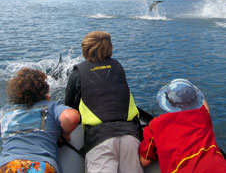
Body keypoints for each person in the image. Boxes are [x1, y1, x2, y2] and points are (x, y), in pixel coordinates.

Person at [65, 30, 143, 173]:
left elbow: (69, 109)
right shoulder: (118, 67)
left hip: (99, 138)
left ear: (85, 49)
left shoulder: (77, 73)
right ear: (110, 48)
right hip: (131, 135)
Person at [0, 67, 80, 173]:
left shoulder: (5, 111)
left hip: (8, 165)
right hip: (39, 165)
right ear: (44, 91)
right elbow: (71, 117)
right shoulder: (51, 106)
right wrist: (65, 133)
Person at [139, 78, 226, 173]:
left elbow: (144, 161)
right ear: (195, 100)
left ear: (168, 102)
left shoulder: (155, 125)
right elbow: (204, 105)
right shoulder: (203, 116)